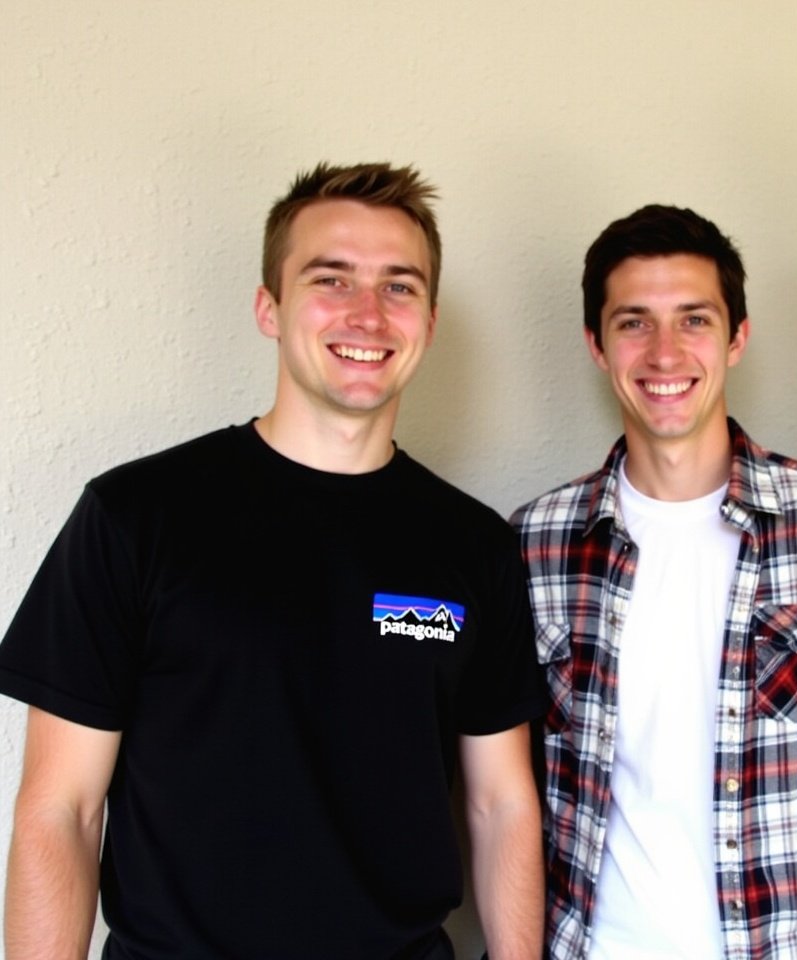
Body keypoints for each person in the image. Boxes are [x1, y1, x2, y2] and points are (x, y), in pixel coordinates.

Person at [0, 162, 545, 960]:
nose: (368, 313)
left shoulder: (472, 544)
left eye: (399, 286)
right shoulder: (135, 516)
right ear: (270, 307)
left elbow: (502, 806)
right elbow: (62, 812)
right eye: (332, 278)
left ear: (427, 318)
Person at [511, 205, 797, 959]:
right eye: (633, 322)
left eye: (694, 319)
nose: (663, 352)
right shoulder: (536, 543)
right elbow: (498, 789)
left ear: (737, 337)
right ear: (596, 344)